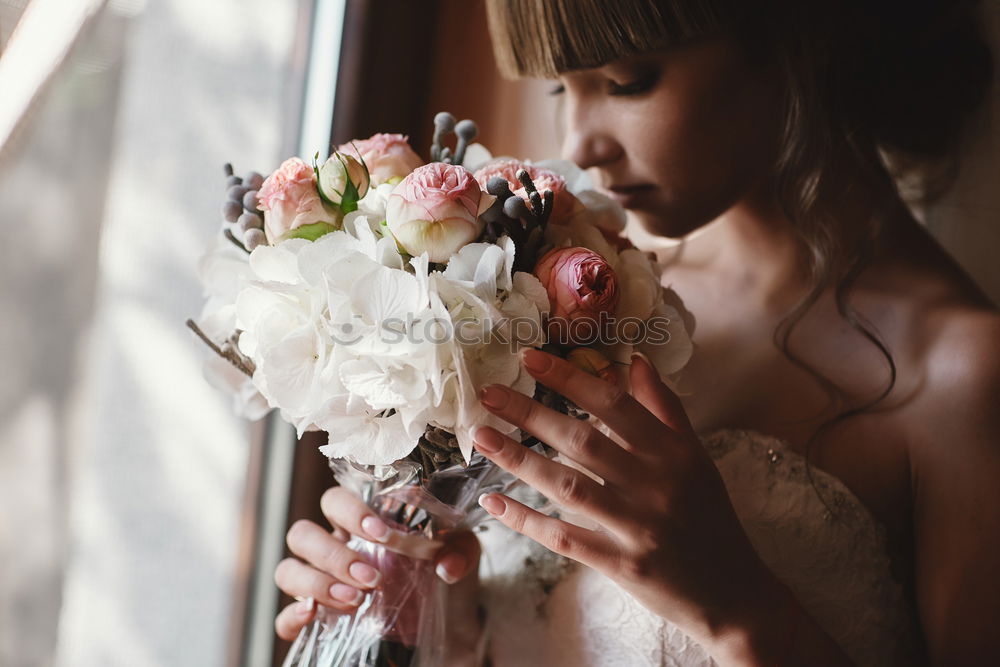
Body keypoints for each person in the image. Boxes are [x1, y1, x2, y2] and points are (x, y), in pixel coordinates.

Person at [273, 0, 1000, 663]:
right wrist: (428, 608)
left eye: (628, 81)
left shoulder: (963, 372)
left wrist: (739, 610)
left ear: (793, 40)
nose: (579, 143)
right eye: (562, 89)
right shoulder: (574, 292)